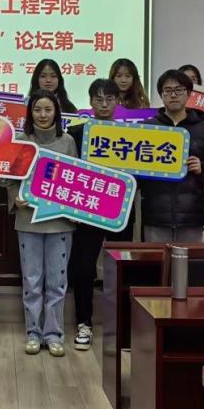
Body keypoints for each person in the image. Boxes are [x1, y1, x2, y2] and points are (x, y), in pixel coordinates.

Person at [67, 78, 133, 351]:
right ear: (90, 102)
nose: (104, 104)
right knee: (83, 268)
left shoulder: (132, 134)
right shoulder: (77, 133)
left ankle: (122, 327)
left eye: (109, 99)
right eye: (99, 99)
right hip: (88, 207)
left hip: (121, 209)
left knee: (122, 268)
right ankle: (84, 323)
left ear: (118, 102)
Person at [10, 89, 77, 357]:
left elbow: (77, 179)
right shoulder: (21, 141)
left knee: (57, 282)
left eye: (48, 109)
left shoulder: (68, 141)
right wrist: (15, 198)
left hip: (60, 222)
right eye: (37, 109)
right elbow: (10, 179)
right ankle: (33, 333)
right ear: (30, 112)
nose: (43, 115)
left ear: (56, 113)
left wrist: (73, 210)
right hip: (28, 221)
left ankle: (54, 334)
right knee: (32, 280)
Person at [141, 70, 204, 244]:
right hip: (156, 215)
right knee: (157, 261)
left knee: (189, 261)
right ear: (161, 95)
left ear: (188, 93)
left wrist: (203, 167)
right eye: (167, 90)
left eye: (179, 90)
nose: (173, 95)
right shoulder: (147, 128)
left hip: (192, 216)